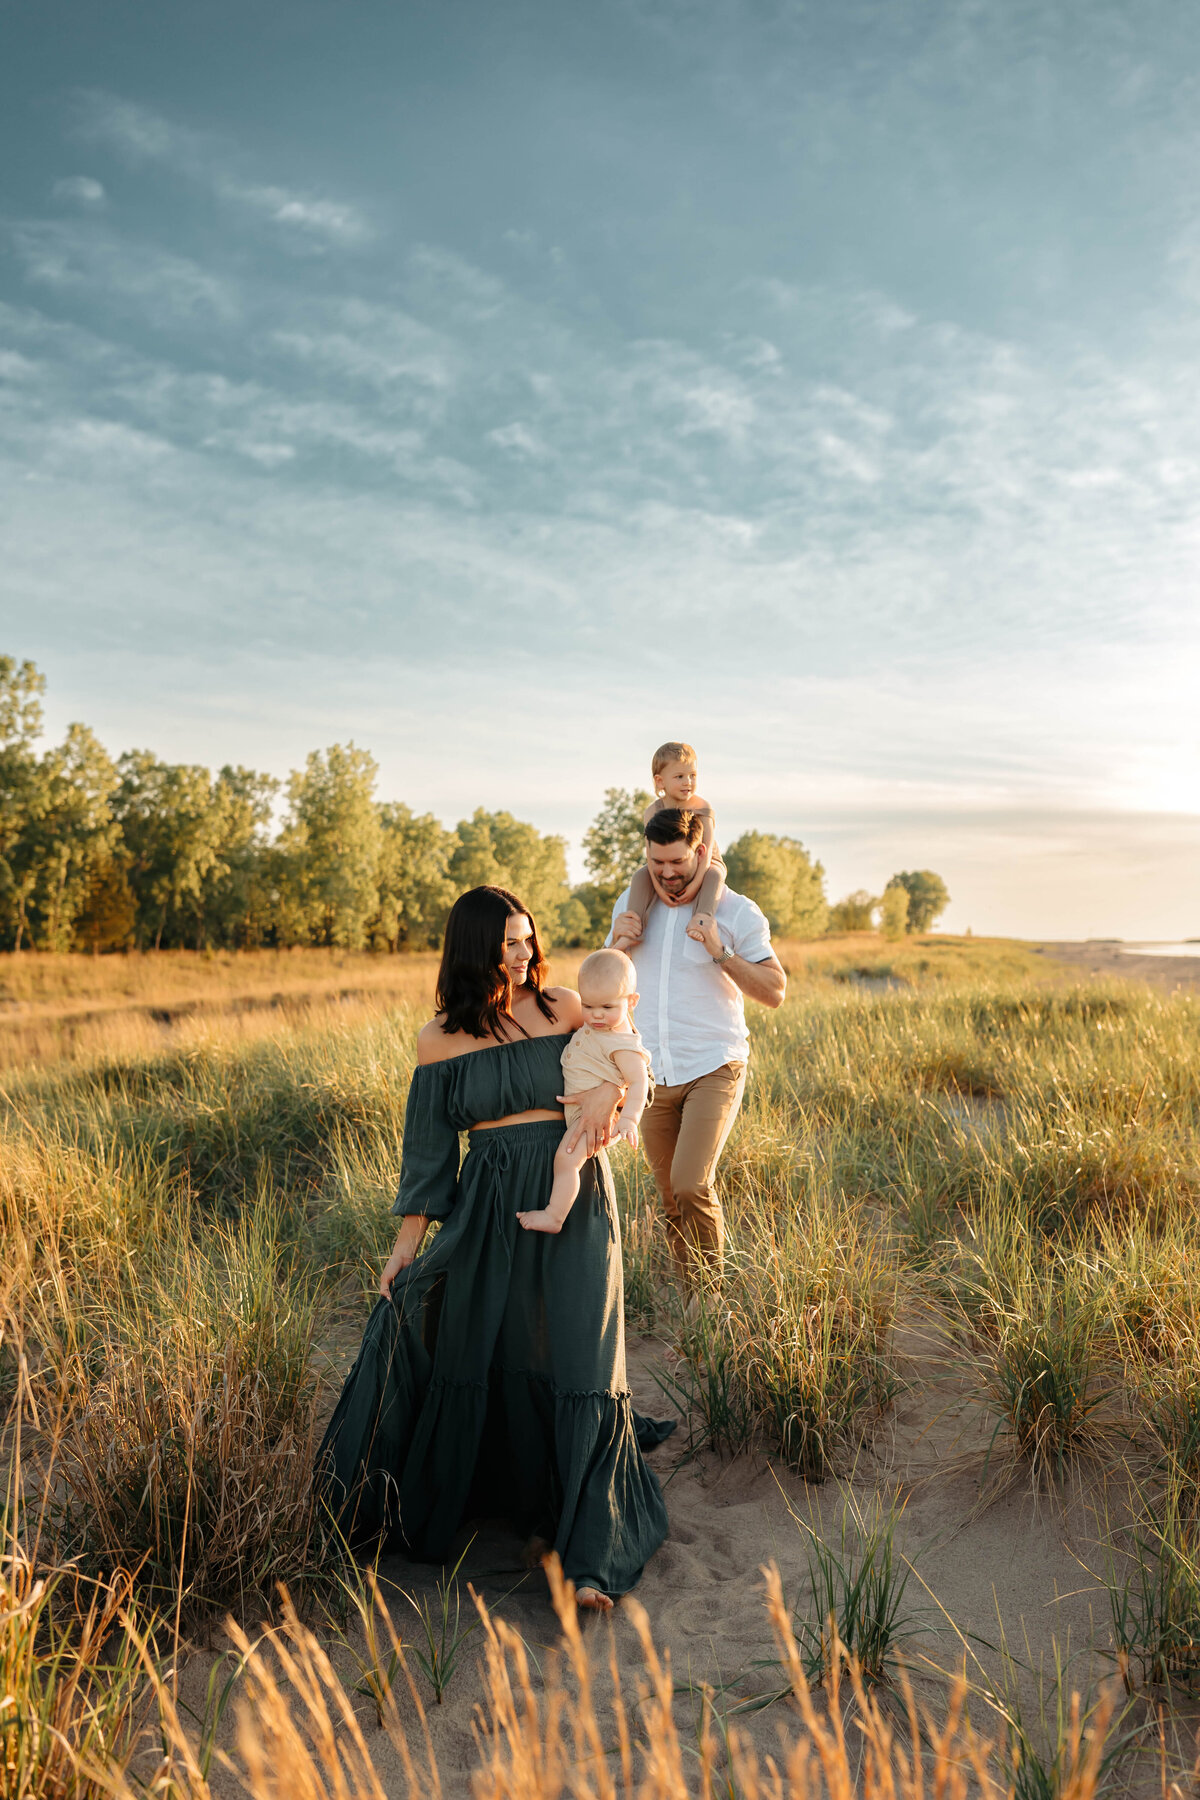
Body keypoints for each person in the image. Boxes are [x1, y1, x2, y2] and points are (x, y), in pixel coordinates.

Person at [315, 886, 673, 1614]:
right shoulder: (438, 1040)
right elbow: (427, 1155)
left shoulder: (564, 1007)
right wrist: (404, 1246)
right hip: (486, 1203)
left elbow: (624, 1057)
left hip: (573, 1195)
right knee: (439, 1320)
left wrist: (610, 1102)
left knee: (579, 1356)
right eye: (510, 942)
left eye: (528, 939)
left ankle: (591, 1564)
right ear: (475, 949)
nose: (525, 954)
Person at [610, 811, 786, 1286]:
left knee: (691, 1185)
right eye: (656, 863)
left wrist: (720, 950)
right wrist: (619, 946)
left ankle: (712, 1299)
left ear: (702, 853)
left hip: (714, 1065)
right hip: (649, 1074)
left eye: (678, 863)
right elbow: (605, 989)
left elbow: (774, 990)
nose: (667, 873)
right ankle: (693, 1300)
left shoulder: (736, 911)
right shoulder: (632, 905)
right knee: (669, 1196)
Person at [516, 947, 651, 1236]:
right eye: (588, 1006)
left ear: (631, 1002)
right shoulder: (599, 1028)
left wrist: (628, 1120)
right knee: (566, 1160)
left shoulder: (622, 1043)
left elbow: (639, 1082)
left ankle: (555, 1214)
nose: (597, 1015)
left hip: (591, 1122)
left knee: (566, 1161)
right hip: (581, 1113)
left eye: (607, 1008)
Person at [628, 741, 726, 939]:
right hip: (665, 863)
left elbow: (705, 854)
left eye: (692, 775)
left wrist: (693, 885)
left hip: (707, 862)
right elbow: (651, 855)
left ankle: (701, 920)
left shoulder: (702, 807)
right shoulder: (653, 811)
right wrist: (660, 890)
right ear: (660, 781)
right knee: (640, 876)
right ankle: (632, 927)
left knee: (715, 876)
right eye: (680, 776)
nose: (688, 782)